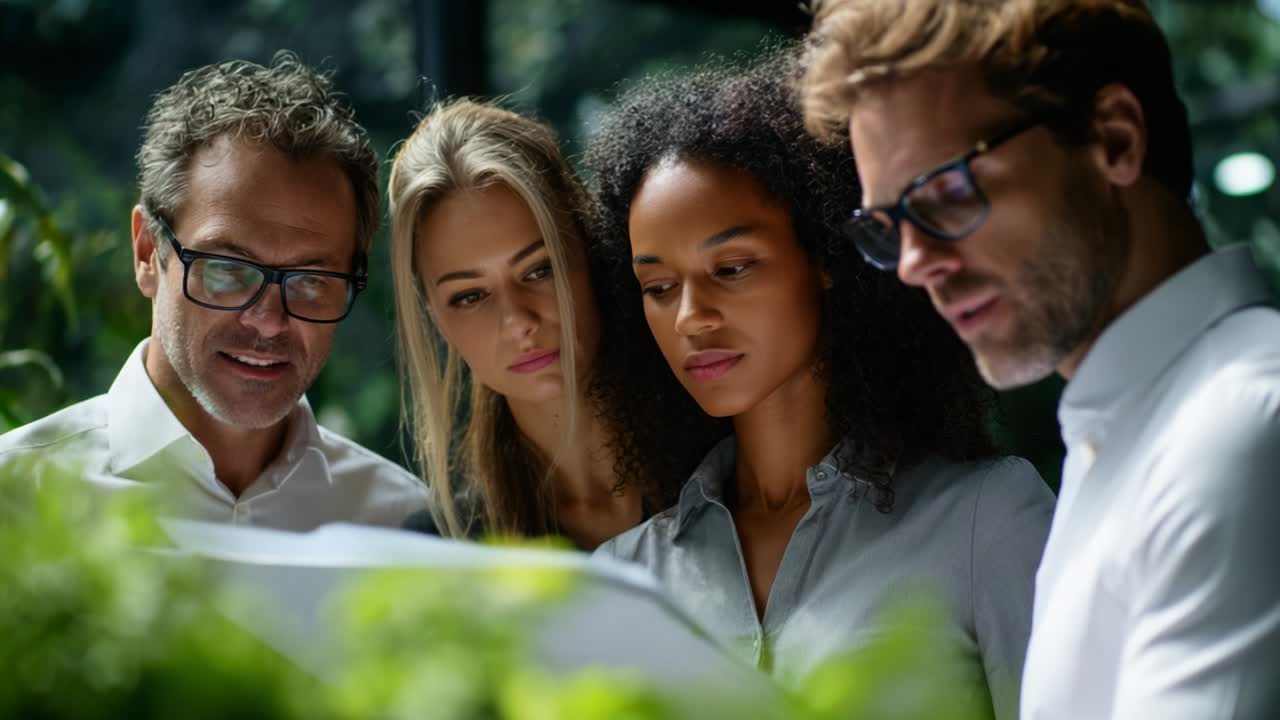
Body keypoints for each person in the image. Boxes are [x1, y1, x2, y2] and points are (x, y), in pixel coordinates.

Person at [801, 1, 1280, 717]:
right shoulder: (1125, 434)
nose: (913, 264)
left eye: (946, 193)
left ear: (1114, 140)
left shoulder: (1238, 425)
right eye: (888, 226)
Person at [586, 50, 1054, 718]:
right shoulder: (624, 578)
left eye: (734, 267)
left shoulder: (987, 519)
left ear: (825, 259)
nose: (690, 316)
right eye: (658, 287)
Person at [0, 52, 427, 531]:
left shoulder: (402, 520)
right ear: (147, 253)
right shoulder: (14, 498)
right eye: (227, 269)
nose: (267, 320)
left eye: (310, 281)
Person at [388, 99, 647, 550]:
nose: (518, 322)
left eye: (538, 270)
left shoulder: (730, 478)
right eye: (469, 296)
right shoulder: (442, 551)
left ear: (589, 248)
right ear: (436, 318)